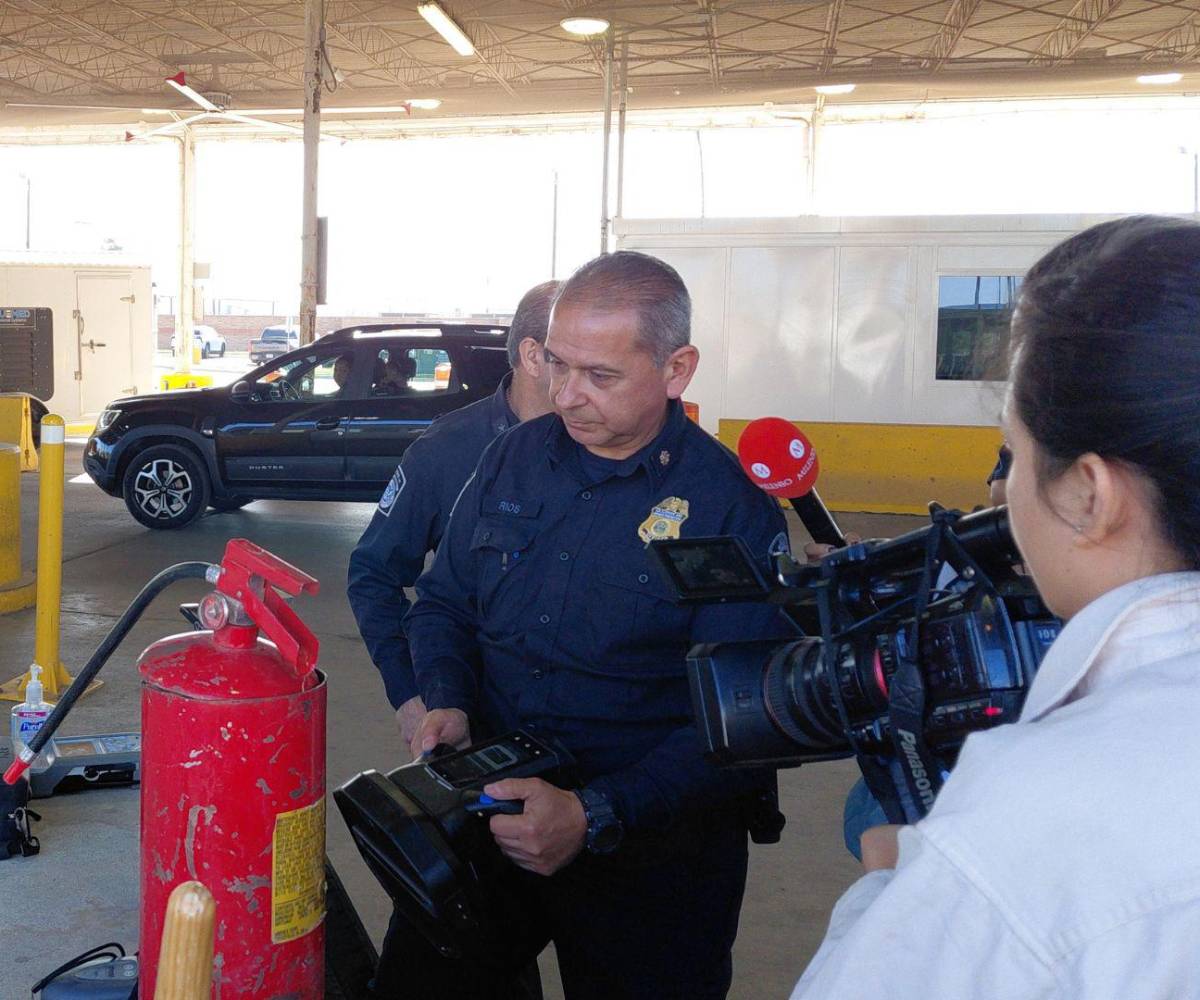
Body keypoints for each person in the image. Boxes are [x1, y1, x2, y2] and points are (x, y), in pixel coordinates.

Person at [792, 215, 1200, 998]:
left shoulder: (1024, 824)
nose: (1005, 493)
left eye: (1015, 453)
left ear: (1090, 492)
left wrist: (894, 887)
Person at [389, 251, 794, 1000]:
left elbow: (746, 720)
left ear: (677, 369)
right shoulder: (512, 456)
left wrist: (593, 812)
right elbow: (445, 600)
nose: (566, 395)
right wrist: (444, 696)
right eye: (557, 365)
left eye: (600, 376)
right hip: (495, 807)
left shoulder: (725, 509)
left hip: (652, 853)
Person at [347, 281, 560, 745]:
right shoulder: (447, 450)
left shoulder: (600, 450)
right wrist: (410, 693)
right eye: (573, 356)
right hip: (476, 727)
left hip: (580, 729)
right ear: (532, 356)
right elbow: (372, 573)